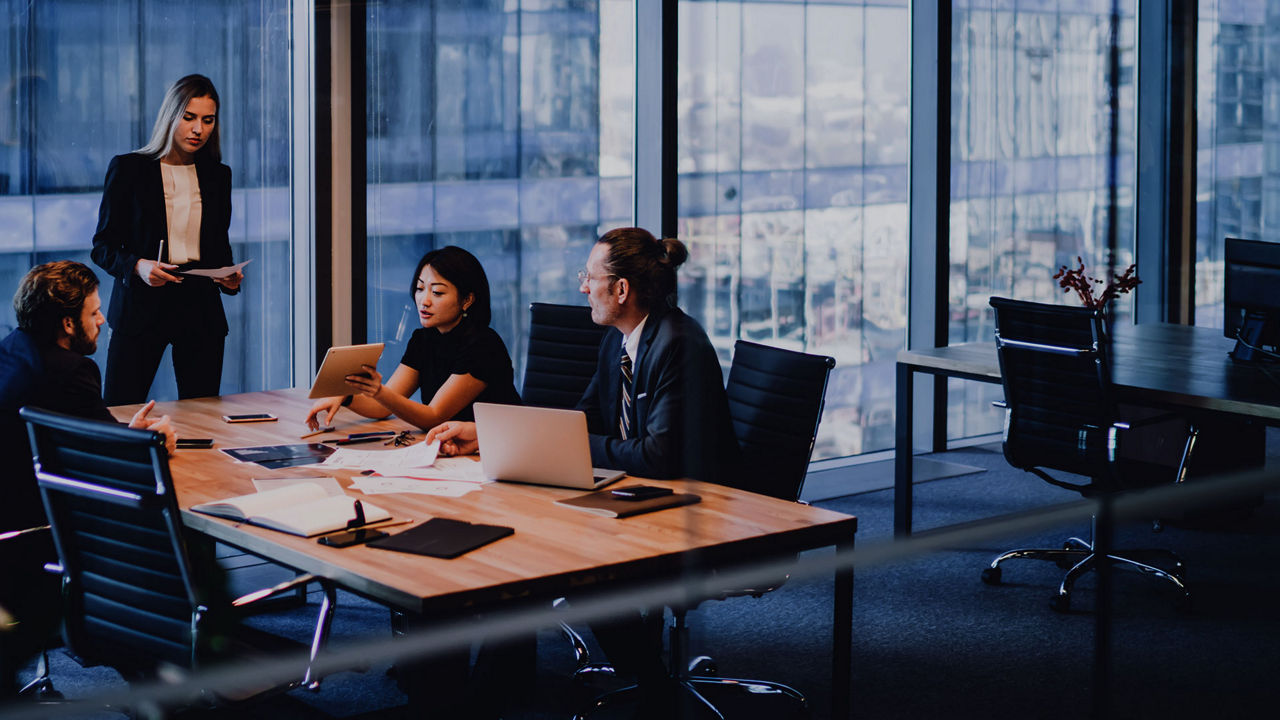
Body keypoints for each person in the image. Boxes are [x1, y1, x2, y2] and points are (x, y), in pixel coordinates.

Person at [428, 227, 740, 713]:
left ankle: (647, 689)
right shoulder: (618, 341)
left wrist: (575, 447)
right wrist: (482, 435)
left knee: (568, 570)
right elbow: (583, 420)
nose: (581, 287)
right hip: (638, 496)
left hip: (697, 511)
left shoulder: (678, 344)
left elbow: (658, 457)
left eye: (589, 277)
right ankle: (494, 697)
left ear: (620, 289)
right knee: (526, 554)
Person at [0, 260, 176, 696]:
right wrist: (150, 446)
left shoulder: (13, 351)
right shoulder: (71, 370)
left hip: (10, 518)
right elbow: (105, 465)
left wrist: (125, 435)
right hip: (37, 536)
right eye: (95, 313)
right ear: (66, 323)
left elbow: (74, 431)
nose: (104, 321)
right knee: (165, 530)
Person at [91, 74, 243, 405]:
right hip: (142, 306)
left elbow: (219, 246)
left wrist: (228, 277)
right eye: (189, 118)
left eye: (208, 120)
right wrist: (137, 266)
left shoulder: (219, 175)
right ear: (170, 116)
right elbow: (102, 246)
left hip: (200, 309)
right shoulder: (129, 169)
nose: (198, 129)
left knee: (202, 415)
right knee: (120, 407)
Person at [305, 245, 521, 431]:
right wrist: (346, 396)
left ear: (467, 300)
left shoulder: (482, 346)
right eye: (420, 289)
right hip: (451, 447)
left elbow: (435, 416)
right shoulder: (423, 339)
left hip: (499, 450)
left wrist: (378, 391)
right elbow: (382, 407)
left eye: (437, 292)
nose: (424, 300)